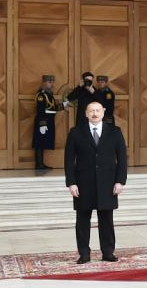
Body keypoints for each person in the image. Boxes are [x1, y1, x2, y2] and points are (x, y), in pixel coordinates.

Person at [64, 99, 126, 263]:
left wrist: (120, 181)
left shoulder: (115, 131)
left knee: (106, 219)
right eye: (91, 111)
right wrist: (71, 182)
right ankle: (84, 253)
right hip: (83, 183)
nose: (95, 114)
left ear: (103, 112)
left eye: (98, 110)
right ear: (86, 114)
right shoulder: (76, 132)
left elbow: (122, 158)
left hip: (108, 183)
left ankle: (108, 252)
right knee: (82, 220)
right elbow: (69, 160)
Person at [33, 75, 60, 170]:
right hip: (43, 120)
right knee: (39, 142)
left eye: (53, 82)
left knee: (44, 141)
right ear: (44, 82)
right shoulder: (41, 95)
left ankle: (41, 163)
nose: (52, 84)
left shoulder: (49, 94)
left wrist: (63, 105)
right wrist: (42, 124)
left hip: (49, 120)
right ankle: (39, 164)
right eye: (49, 82)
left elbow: (53, 107)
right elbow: (40, 110)